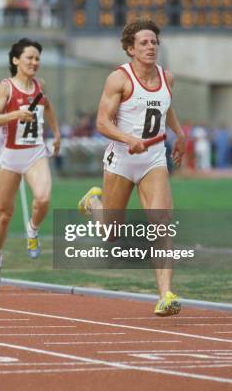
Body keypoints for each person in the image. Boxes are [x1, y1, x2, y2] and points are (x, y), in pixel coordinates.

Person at [78, 18, 185, 316]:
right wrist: (128, 138)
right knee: (111, 232)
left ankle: (166, 295)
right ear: (130, 49)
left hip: (153, 159)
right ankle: (93, 203)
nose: (151, 47)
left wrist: (181, 135)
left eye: (154, 42)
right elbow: (102, 122)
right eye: (144, 43)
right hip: (122, 160)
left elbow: (166, 107)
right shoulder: (119, 79)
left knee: (161, 224)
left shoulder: (167, 78)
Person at [0, 38, 61, 290]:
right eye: (29, 57)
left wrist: (56, 133)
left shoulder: (40, 86)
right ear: (16, 60)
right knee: (5, 214)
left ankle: (33, 230)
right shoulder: (5, 87)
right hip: (10, 155)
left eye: (37, 58)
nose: (34, 62)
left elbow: (47, 107)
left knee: (43, 198)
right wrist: (15, 114)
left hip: (35, 153)